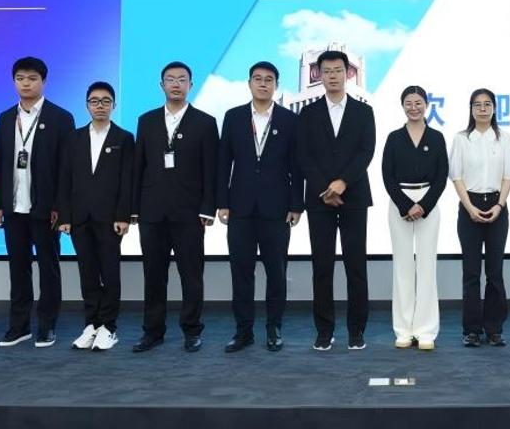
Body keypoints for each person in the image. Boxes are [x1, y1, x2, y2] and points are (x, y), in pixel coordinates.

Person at [132, 61, 220, 353]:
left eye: (182, 79)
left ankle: (192, 330)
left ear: (190, 85)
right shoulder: (146, 121)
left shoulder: (205, 122)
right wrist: (134, 209)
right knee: (153, 275)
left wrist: (208, 208)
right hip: (152, 212)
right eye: (170, 79)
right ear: (162, 85)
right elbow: (138, 166)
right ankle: (152, 331)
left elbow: (212, 170)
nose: (176, 84)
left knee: (191, 276)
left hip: (190, 214)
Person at [217, 61, 303, 353]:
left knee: (276, 272)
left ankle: (274, 328)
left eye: (269, 79)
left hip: (277, 208)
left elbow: (297, 166)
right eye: (257, 79)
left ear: (276, 85)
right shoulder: (233, 117)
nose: (263, 84)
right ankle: (243, 331)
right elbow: (223, 162)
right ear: (249, 83)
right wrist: (222, 202)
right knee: (241, 271)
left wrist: (296, 204)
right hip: (239, 207)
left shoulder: (290, 120)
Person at [0, 56, 75, 348]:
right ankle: (19, 326)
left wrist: (61, 208)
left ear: (44, 81)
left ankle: (47, 325)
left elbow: (67, 169)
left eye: (32, 78)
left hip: (46, 209)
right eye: (20, 79)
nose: (26, 84)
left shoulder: (61, 118)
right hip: (13, 207)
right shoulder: (5, 117)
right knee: (18, 268)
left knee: (48, 268)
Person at [296, 50, 376, 351]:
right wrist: (326, 189)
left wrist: (342, 183)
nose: (333, 76)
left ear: (347, 74)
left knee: (356, 266)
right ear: (319, 75)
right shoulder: (307, 113)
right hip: (320, 200)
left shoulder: (364, 111)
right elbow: (303, 155)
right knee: (322, 267)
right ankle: (324, 330)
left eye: (338, 70)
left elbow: (366, 151)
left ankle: (356, 331)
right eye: (327, 71)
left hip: (354, 197)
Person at [56, 82, 135, 352]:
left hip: (110, 218)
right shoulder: (73, 138)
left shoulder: (124, 138)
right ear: (87, 105)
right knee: (87, 272)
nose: (100, 106)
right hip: (79, 217)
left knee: (109, 273)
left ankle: (109, 327)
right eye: (94, 101)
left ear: (114, 105)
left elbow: (127, 181)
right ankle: (91, 324)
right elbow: (64, 178)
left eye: (105, 101)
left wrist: (123, 215)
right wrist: (65, 216)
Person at [381, 86, 448, 350]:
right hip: (400, 203)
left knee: (427, 266)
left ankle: (426, 330)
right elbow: (387, 176)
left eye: (418, 102)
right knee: (403, 266)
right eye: (408, 103)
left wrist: (424, 205)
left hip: (428, 203)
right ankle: (404, 329)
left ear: (426, 105)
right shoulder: (394, 138)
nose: (413, 107)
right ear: (403, 106)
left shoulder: (437, 137)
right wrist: (406, 205)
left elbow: (441, 176)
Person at [448, 88, 510, 348]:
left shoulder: (504, 138)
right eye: (477, 104)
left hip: (497, 204)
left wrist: (499, 205)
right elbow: (456, 176)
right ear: (471, 109)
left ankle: (494, 329)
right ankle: (472, 330)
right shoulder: (462, 139)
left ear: (495, 108)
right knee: (471, 272)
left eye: (488, 104)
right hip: (470, 206)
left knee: (495, 272)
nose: (483, 109)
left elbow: (508, 175)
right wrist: (469, 207)